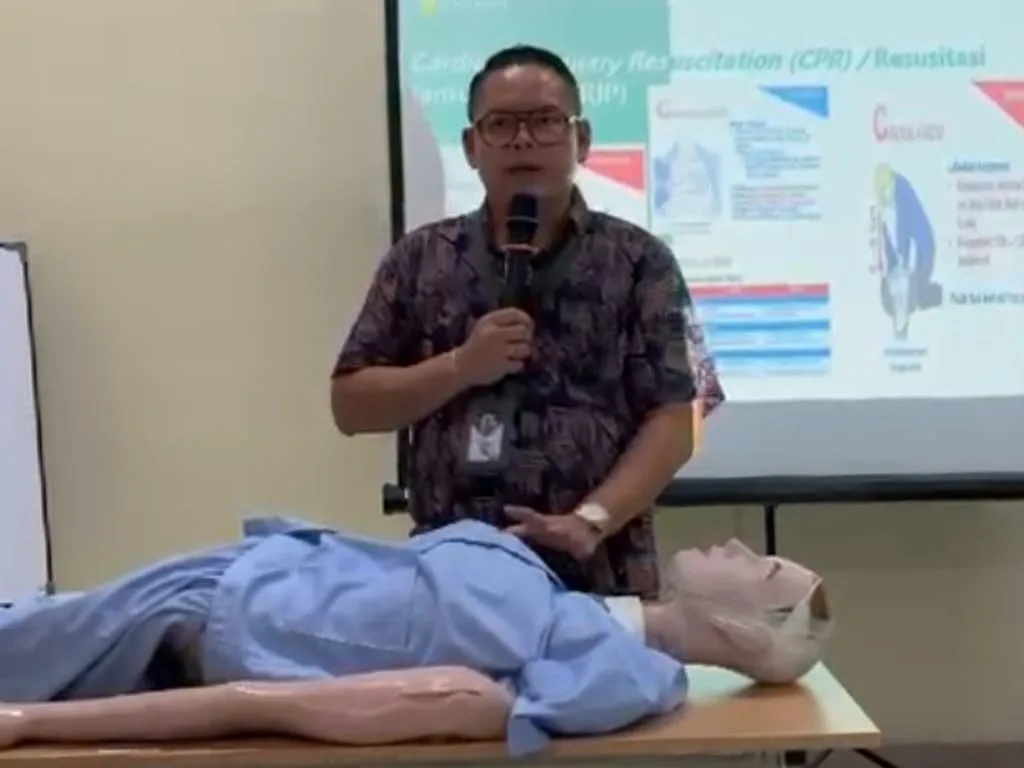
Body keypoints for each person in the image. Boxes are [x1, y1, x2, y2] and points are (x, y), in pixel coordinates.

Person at [331, 45, 726, 598]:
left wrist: (591, 520)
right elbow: (350, 404)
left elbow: (680, 414)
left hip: (599, 572)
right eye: (500, 125)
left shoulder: (639, 261)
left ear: (580, 139)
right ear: (471, 146)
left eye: (544, 121)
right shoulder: (421, 258)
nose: (522, 140)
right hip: (451, 577)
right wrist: (460, 366)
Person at [0, 517, 830, 756]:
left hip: (232, 618)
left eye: (760, 569)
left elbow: (421, 702)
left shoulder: (609, 667)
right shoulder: (568, 606)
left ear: (736, 627)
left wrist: (40, 724)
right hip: (249, 577)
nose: (738, 545)